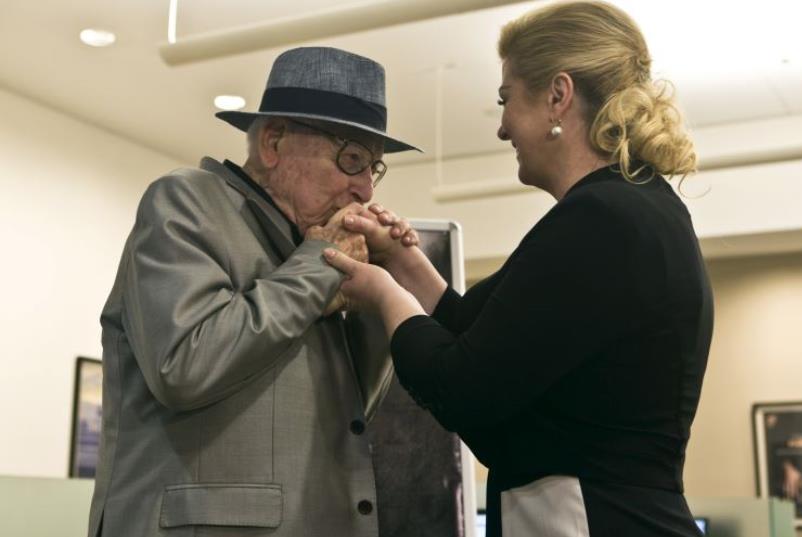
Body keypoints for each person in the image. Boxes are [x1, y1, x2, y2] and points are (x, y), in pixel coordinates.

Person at [323, 2, 714, 536]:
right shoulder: (633, 209)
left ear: (558, 95)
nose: (503, 127)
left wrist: (382, 292)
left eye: (506, 100)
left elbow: (463, 386)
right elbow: (478, 336)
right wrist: (404, 259)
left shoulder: (601, 220)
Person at [87, 47, 420, 537]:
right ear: (273, 142)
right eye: (351, 158)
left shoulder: (307, 246)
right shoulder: (186, 200)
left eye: (374, 167)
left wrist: (379, 288)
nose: (366, 190)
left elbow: (352, 412)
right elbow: (182, 366)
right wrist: (320, 266)